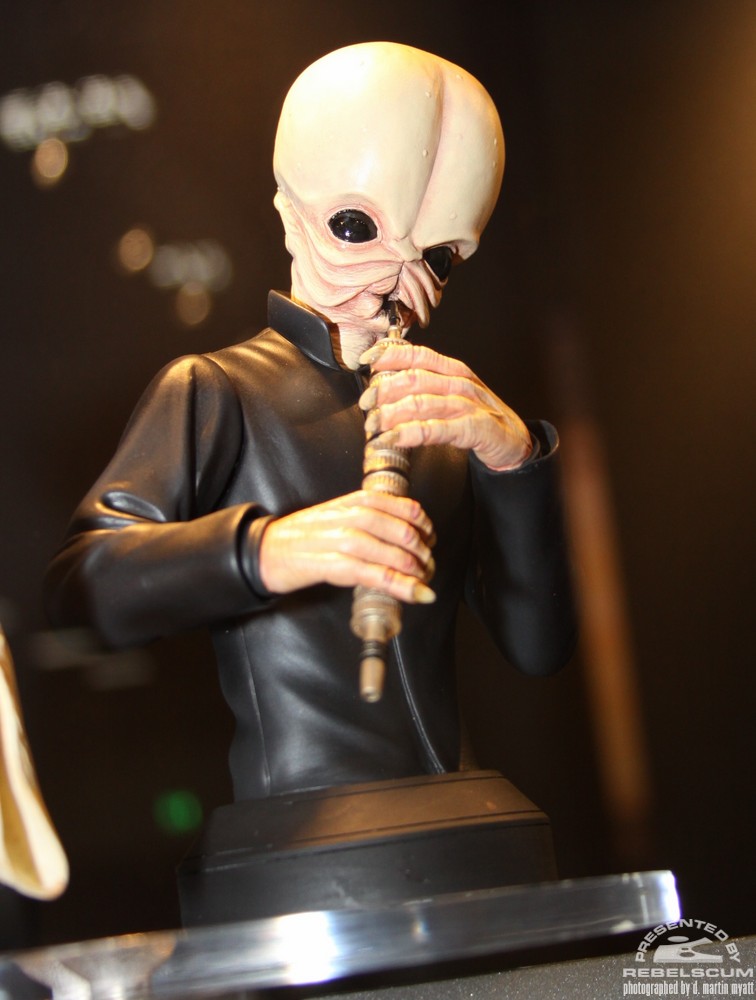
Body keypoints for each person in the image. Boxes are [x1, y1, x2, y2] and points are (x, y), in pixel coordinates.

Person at [45, 42, 576, 804]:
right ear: (290, 214)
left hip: (457, 824)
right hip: (303, 834)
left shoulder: (439, 417)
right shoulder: (218, 390)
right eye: (357, 228)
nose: (394, 285)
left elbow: (538, 647)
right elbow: (82, 587)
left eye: (436, 259)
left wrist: (514, 458)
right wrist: (269, 550)